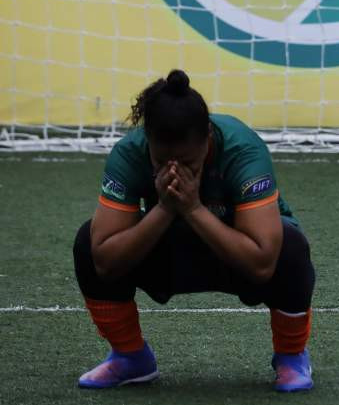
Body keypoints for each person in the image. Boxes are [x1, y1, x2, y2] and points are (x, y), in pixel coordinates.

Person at [72, 70, 316, 392]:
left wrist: (192, 208)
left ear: (208, 141)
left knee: (290, 246)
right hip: (169, 252)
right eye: (162, 160)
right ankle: (130, 358)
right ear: (148, 142)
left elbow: (261, 263)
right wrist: (165, 208)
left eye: (187, 160)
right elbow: (104, 260)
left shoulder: (243, 150)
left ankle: (291, 356)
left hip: (235, 257)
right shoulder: (130, 154)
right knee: (88, 242)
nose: (174, 170)